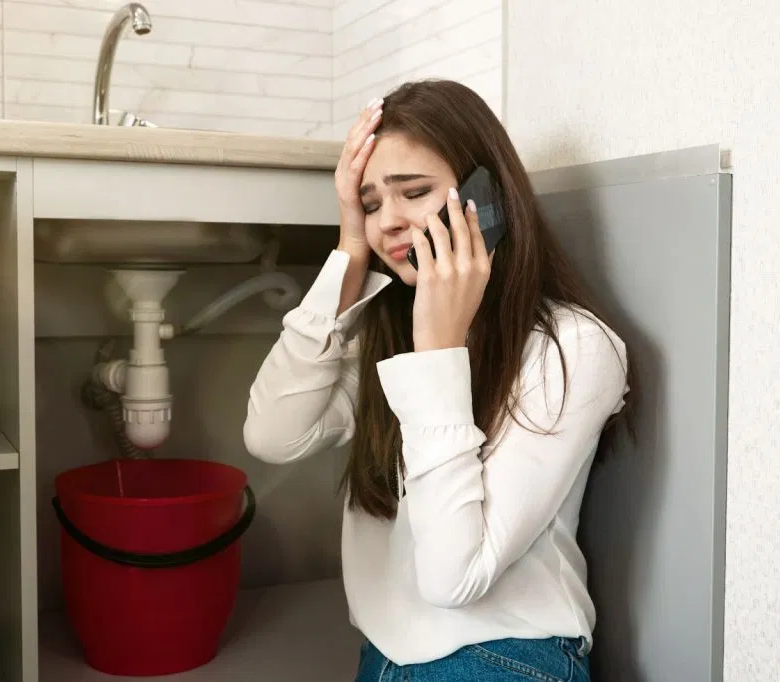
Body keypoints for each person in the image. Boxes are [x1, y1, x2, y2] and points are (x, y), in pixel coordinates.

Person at [242, 79, 637, 682]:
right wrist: (350, 246)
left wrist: (440, 346)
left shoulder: (574, 347)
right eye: (371, 203)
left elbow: (456, 578)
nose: (389, 222)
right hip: (383, 657)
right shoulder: (386, 334)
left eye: (415, 192)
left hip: (505, 655)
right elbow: (272, 435)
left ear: (487, 197)